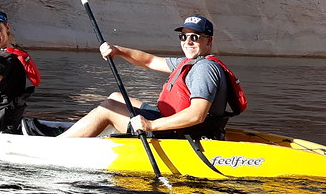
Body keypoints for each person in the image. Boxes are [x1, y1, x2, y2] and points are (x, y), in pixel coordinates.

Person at [57, 14, 245, 140]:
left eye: (194, 37)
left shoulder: (204, 69)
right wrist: (117, 50)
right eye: (183, 36)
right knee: (116, 97)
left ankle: (59, 145)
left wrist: (150, 125)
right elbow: (150, 61)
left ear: (209, 41)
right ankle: (91, 132)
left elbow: (197, 114)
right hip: (173, 123)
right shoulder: (189, 62)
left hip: (181, 134)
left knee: (108, 108)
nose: (187, 42)